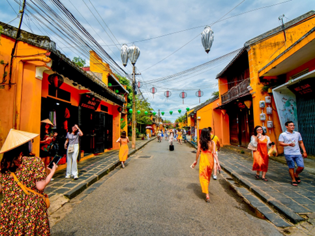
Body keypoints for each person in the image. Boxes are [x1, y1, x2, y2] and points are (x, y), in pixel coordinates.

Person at [0, 129, 58, 235]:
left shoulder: (3, 165)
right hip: (30, 208)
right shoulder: (34, 161)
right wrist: (52, 172)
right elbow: (40, 186)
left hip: (9, 210)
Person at [191, 128, 221, 202]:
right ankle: (206, 190)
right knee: (207, 177)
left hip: (203, 160)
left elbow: (198, 151)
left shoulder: (200, 142)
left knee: (203, 176)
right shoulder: (213, 142)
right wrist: (218, 163)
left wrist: (196, 161)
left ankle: (207, 195)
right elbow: (214, 153)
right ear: (208, 134)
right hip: (210, 161)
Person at [279, 121, 307, 186]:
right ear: (286, 126)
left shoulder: (297, 134)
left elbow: (301, 142)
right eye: (290, 125)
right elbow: (280, 143)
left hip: (297, 152)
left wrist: (304, 151)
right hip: (288, 153)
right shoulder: (283, 134)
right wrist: (288, 144)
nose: (292, 126)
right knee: (291, 167)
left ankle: (296, 174)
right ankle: (293, 179)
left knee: (301, 167)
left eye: (293, 125)